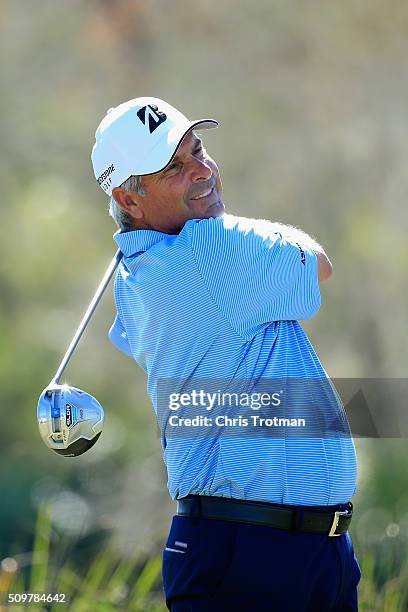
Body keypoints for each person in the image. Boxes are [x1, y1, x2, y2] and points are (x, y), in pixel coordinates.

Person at [91, 97, 361, 611]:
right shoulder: (214, 249)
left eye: (198, 150)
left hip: (297, 548)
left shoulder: (140, 272)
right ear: (129, 199)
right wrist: (222, 225)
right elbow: (319, 264)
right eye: (174, 167)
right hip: (249, 553)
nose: (202, 171)